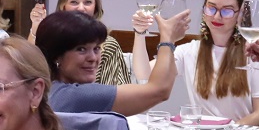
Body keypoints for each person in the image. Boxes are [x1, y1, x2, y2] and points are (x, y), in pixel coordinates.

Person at [133, 0, 259, 125]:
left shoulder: (255, 54)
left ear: (241, 15)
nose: (217, 17)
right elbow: (144, 75)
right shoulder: (189, 50)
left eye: (227, 11)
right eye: (211, 9)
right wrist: (139, 33)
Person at [37, 8, 190, 116]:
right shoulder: (73, 96)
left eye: (96, 48)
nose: (93, 58)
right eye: (81, 49)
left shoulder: (47, 88)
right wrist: (167, 39)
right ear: (56, 55)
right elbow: (159, 91)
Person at [27, 0, 143, 85]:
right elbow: (29, 69)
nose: (81, 8)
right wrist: (36, 27)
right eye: (74, 2)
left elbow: (114, 94)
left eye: (87, 2)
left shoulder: (108, 45)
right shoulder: (53, 41)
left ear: (95, 7)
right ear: (63, 6)